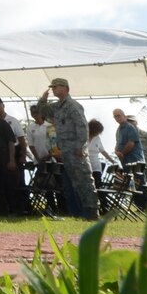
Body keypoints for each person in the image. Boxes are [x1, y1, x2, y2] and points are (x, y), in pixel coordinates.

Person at [41, 79, 98, 218]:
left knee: (84, 181)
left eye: (56, 87)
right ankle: (83, 212)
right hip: (66, 151)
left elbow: (83, 126)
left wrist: (80, 147)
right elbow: (45, 113)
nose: (53, 89)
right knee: (76, 183)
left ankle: (92, 212)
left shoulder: (73, 105)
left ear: (65, 88)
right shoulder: (58, 106)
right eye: (52, 87)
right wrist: (42, 100)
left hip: (75, 150)